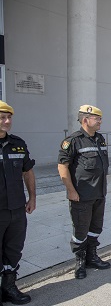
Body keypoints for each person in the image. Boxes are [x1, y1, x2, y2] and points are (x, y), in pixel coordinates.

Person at [58, 105, 111, 279]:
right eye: (97, 118)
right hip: (81, 195)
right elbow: (62, 167)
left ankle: (92, 256)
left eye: (100, 118)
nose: (100, 121)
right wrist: (71, 190)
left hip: (99, 193)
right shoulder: (73, 141)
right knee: (81, 230)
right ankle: (80, 262)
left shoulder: (100, 139)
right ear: (86, 120)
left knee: (95, 227)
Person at [0, 100, 36, 304]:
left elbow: (28, 171)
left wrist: (32, 197)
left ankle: (9, 287)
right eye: (2, 118)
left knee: (14, 249)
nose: (7, 121)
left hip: (16, 209)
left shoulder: (18, 144)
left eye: (9, 118)